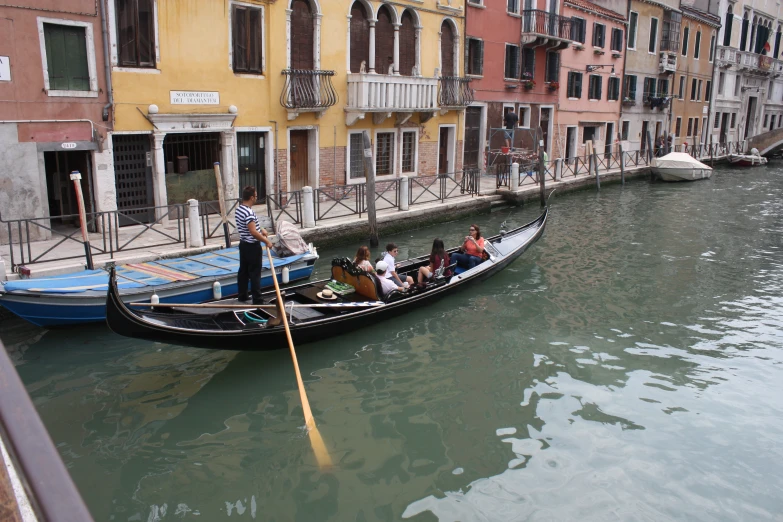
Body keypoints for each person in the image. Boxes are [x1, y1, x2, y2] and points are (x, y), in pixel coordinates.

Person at [236, 186, 273, 304]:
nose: (256, 198)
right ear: (251, 198)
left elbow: (252, 226)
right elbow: (252, 232)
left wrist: (261, 229)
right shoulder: (249, 212)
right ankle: (257, 300)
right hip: (252, 247)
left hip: (243, 245)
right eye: (256, 196)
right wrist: (266, 241)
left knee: (243, 271)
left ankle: (242, 296)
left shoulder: (239, 209)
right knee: (255, 273)